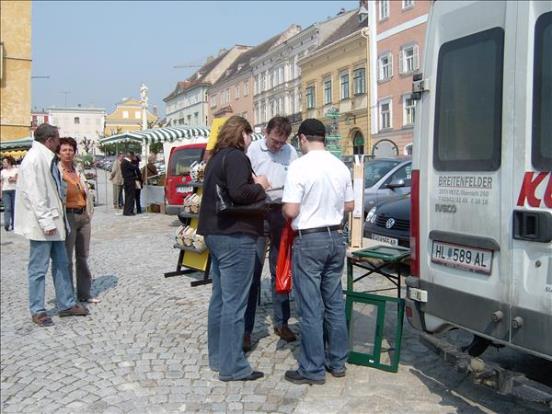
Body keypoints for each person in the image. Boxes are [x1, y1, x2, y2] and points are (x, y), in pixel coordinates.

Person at [197, 115, 270, 382]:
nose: (251, 140)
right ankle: (233, 367)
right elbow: (240, 193)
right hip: (235, 234)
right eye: (249, 134)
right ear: (241, 134)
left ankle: (219, 358)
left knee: (220, 299)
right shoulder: (237, 157)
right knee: (234, 304)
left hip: (216, 233)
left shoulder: (215, 158)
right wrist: (260, 185)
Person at [281, 119, 354, 385]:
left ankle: (312, 368)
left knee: (311, 307)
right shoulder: (339, 165)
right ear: (323, 138)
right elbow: (350, 204)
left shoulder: (299, 166)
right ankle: (337, 362)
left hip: (310, 239)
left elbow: (290, 210)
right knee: (334, 303)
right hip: (335, 236)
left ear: (302, 139)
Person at [14, 123, 89, 327]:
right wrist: (47, 222)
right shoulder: (34, 160)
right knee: (38, 269)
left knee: (62, 264)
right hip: (43, 224)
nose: (59, 141)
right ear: (50, 140)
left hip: (55, 222)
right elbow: (36, 194)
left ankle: (66, 303)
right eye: (57, 138)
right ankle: (37, 310)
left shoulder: (46, 158)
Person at [244, 116, 298, 351]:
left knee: (281, 270)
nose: (278, 146)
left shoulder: (291, 151)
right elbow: (245, 180)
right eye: (275, 141)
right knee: (252, 271)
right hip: (257, 212)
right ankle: (246, 329)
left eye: (281, 143)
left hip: (280, 213)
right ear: (266, 132)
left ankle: (281, 322)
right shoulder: (253, 150)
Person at [58, 137, 99, 304]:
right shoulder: (57, 171)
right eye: (64, 150)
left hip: (83, 216)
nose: (68, 153)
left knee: (83, 256)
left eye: (71, 150)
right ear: (58, 153)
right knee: (66, 259)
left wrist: (89, 213)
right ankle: (67, 297)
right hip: (68, 216)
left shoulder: (78, 170)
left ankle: (84, 293)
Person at [1, 155, 18, 231]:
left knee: (14, 208)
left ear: (9, 162)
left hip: (14, 190)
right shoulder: (2, 172)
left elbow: (18, 179)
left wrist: (14, 179)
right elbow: (1, 182)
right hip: (5, 191)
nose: (3, 163)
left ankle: (15, 224)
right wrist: (0, 192)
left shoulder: (16, 170)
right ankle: (7, 224)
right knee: (7, 208)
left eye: (4, 162)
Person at [121, 151, 137, 216]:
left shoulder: (123, 162)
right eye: (133, 156)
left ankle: (126, 211)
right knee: (130, 197)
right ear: (130, 156)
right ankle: (129, 211)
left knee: (127, 196)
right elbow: (135, 167)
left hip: (126, 181)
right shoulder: (127, 162)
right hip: (130, 181)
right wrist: (135, 161)